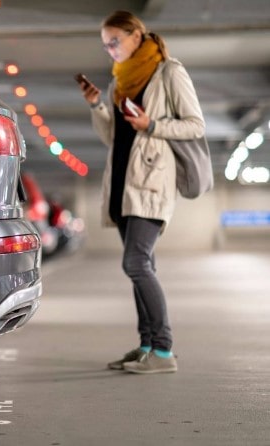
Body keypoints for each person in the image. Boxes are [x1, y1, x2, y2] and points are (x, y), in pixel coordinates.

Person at [77, 10, 206, 374]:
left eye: (114, 42)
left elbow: (196, 126)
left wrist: (153, 124)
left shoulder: (169, 72)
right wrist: (96, 105)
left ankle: (164, 352)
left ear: (137, 35)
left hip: (151, 181)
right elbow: (112, 137)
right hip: (122, 183)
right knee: (142, 265)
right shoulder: (120, 84)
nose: (110, 51)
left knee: (135, 262)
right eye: (105, 46)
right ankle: (147, 344)